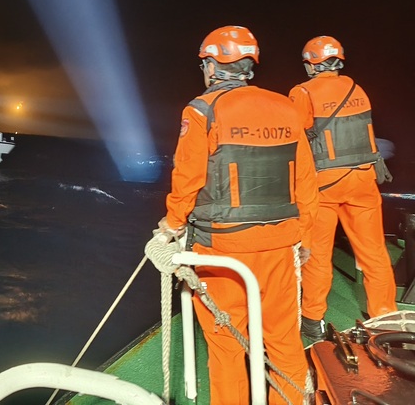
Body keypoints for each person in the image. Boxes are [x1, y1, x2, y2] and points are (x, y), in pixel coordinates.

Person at [158, 25, 319, 405]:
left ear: (212, 66)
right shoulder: (286, 106)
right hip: (281, 245)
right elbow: (307, 183)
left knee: (227, 345)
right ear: (249, 65)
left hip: (223, 252)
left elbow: (188, 177)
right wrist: (306, 240)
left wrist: (171, 224)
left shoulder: (201, 110)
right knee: (283, 339)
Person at [288, 35, 397, 341]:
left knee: (318, 254)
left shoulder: (303, 92)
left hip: (323, 186)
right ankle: (385, 315)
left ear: (311, 63)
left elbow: (294, 139)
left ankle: (312, 319)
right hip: (363, 181)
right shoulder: (357, 89)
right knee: (374, 252)